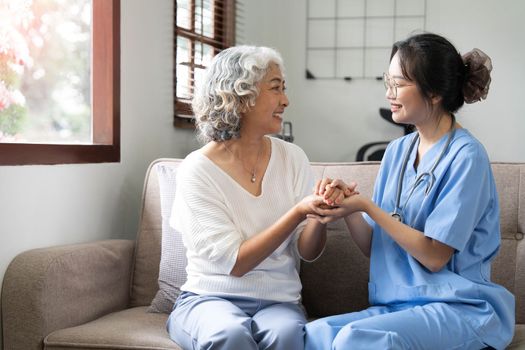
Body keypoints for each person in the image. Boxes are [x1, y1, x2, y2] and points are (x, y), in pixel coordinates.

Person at [304, 33, 515, 349]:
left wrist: (367, 206)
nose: (389, 93)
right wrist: (349, 207)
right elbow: (376, 246)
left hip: (461, 309)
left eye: (399, 84)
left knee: (355, 340)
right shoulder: (397, 152)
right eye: (388, 82)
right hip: (399, 307)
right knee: (310, 335)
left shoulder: (467, 157)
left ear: (433, 93)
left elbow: (433, 256)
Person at [166, 45, 334, 350]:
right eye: (275, 89)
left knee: (287, 335)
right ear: (240, 97)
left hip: (278, 302)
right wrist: (298, 212)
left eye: (284, 89)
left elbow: (307, 251)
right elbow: (236, 264)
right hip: (209, 298)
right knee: (229, 335)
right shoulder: (197, 170)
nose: (286, 100)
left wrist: (320, 216)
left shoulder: (292, 158)